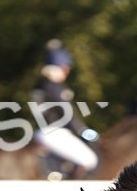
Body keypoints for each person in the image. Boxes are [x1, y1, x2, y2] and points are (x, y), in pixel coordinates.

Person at [30, 40, 99, 176]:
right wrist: (82, 131)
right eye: (65, 67)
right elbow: (67, 113)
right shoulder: (55, 88)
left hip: (40, 132)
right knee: (90, 160)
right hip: (55, 133)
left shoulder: (41, 85)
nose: (67, 71)